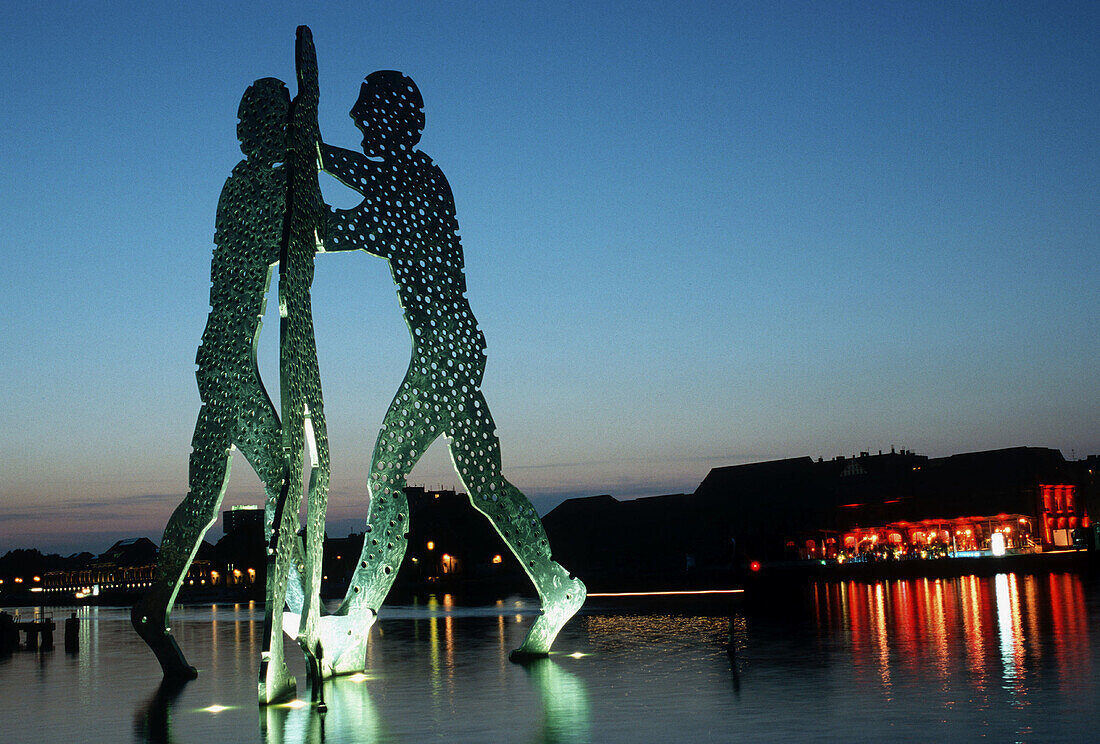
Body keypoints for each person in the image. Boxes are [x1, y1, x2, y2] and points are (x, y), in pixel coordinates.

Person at [314, 70, 584, 672]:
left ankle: (355, 625)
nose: (357, 124)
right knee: (486, 488)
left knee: (384, 479)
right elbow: (362, 179)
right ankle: (557, 587)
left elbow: (349, 227)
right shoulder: (412, 175)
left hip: (446, 352)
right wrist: (312, 154)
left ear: (390, 119)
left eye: (365, 114)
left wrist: (305, 183)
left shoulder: (416, 181)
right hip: (456, 346)